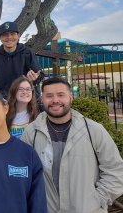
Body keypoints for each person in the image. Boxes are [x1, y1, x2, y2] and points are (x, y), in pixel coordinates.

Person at [21, 77, 123, 213]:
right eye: (49, 96)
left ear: (71, 98)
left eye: (61, 95)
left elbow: (115, 171)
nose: (55, 100)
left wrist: (97, 199)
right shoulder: (31, 133)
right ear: (42, 99)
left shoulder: (94, 130)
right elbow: (23, 175)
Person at [0, 21, 43, 99]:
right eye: (5, 35)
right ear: (0, 38)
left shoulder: (28, 53)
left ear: (18, 35)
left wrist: (35, 78)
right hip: (1, 100)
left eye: (12, 34)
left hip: (24, 99)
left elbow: (39, 75)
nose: (9, 37)